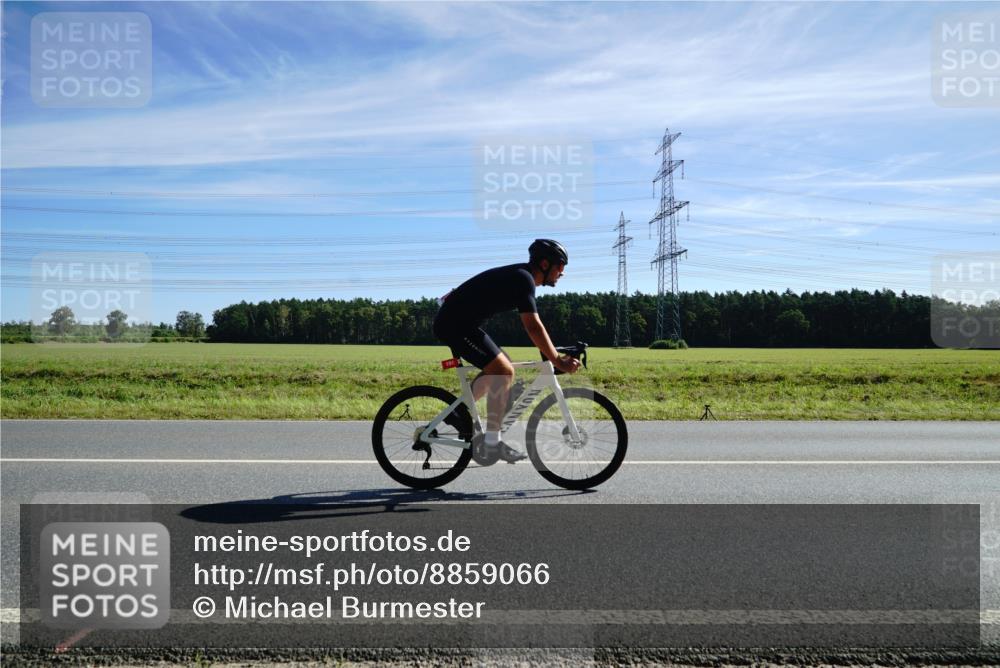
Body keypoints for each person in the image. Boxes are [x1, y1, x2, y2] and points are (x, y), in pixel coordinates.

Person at [432, 239, 581, 463]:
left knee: (502, 365)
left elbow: (535, 327)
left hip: (461, 323)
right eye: (560, 266)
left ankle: (457, 413)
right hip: (454, 325)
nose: (562, 272)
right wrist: (558, 361)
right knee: (503, 371)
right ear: (544, 264)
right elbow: (533, 327)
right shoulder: (524, 279)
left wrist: (553, 355)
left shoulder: (522, 277)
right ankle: (492, 444)